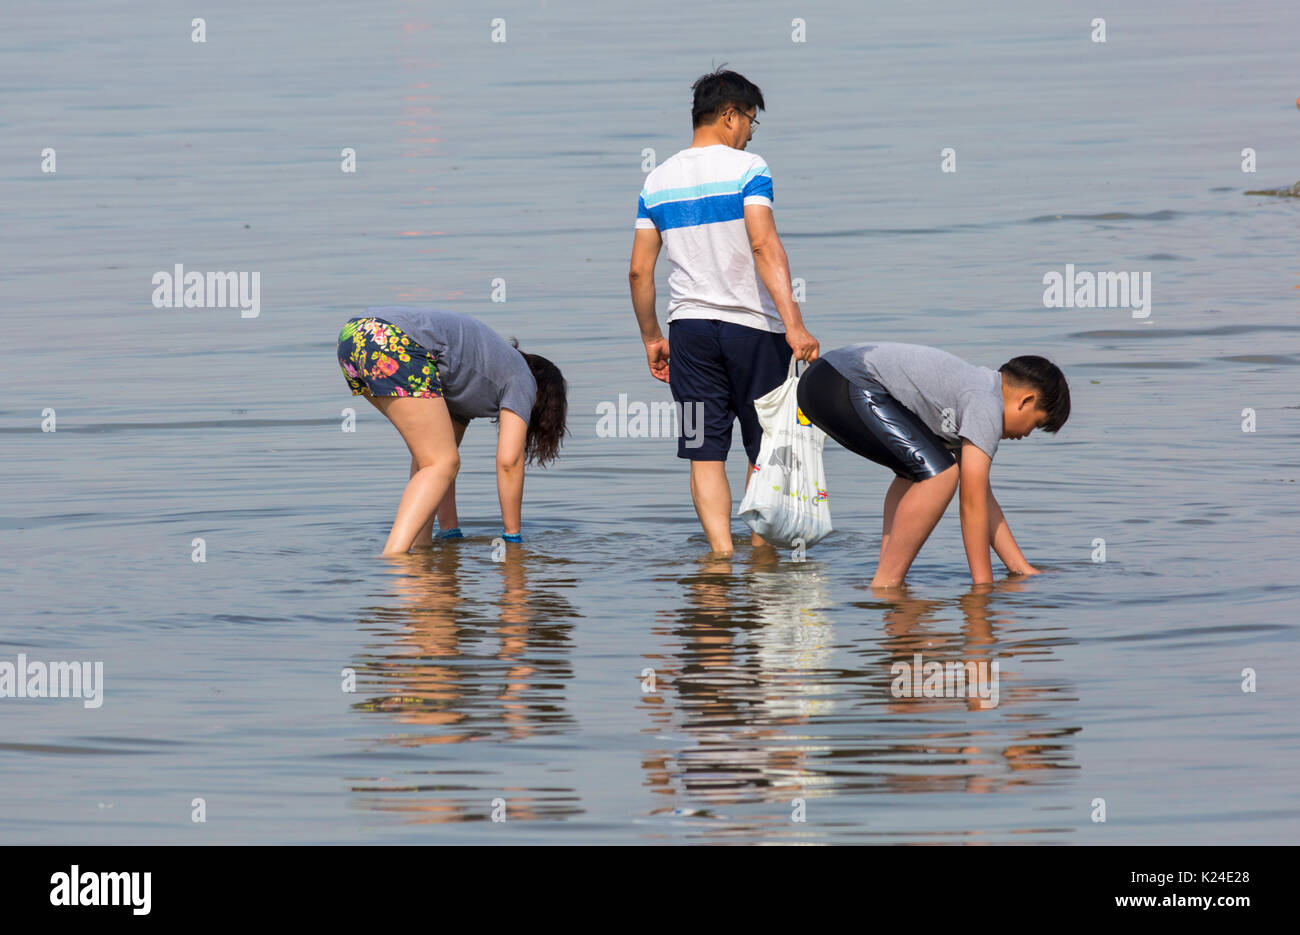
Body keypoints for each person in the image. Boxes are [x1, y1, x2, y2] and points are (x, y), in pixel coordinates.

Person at [629, 66, 819, 557]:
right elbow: (763, 244)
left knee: (703, 451)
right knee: (765, 448)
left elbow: (638, 273)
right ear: (729, 115)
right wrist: (794, 324)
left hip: (688, 335)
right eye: (751, 120)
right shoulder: (749, 170)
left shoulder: (657, 180)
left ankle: (719, 559)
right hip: (753, 331)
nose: (750, 132)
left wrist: (653, 337)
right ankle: (762, 555)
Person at [795, 345, 1071, 588]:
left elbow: (982, 499)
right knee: (941, 475)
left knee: (920, 473)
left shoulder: (978, 392)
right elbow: (971, 504)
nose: (1025, 435)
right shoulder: (986, 403)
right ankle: (886, 586)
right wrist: (983, 589)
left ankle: (888, 583)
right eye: (1035, 425)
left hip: (822, 381)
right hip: (844, 382)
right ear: (1026, 400)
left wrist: (1021, 569)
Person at [336, 307, 567, 555]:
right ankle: (394, 558)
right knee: (442, 463)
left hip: (355, 337)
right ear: (541, 397)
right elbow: (509, 462)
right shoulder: (523, 378)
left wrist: (450, 532)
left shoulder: (469, 386)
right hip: (390, 339)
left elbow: (438, 467)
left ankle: (420, 548)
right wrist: (513, 537)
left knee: (432, 462)